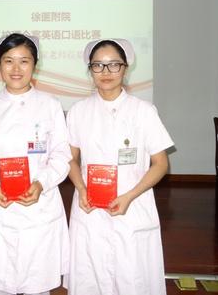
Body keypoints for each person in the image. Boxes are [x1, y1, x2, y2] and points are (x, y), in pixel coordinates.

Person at [0, 33, 71, 295]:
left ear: (35, 65)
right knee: (0, 282)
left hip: (39, 204)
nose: (16, 68)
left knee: (38, 283)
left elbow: (61, 154)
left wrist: (41, 183)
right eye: (8, 61)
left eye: (24, 61)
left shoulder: (50, 105)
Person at [65, 39, 173, 295]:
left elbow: (161, 164)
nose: (106, 72)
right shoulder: (79, 111)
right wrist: (81, 188)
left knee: (132, 276)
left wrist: (129, 196)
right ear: (90, 69)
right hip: (90, 206)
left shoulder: (144, 111)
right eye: (98, 65)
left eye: (114, 64)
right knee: (90, 275)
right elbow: (70, 158)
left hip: (132, 205)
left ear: (125, 68)